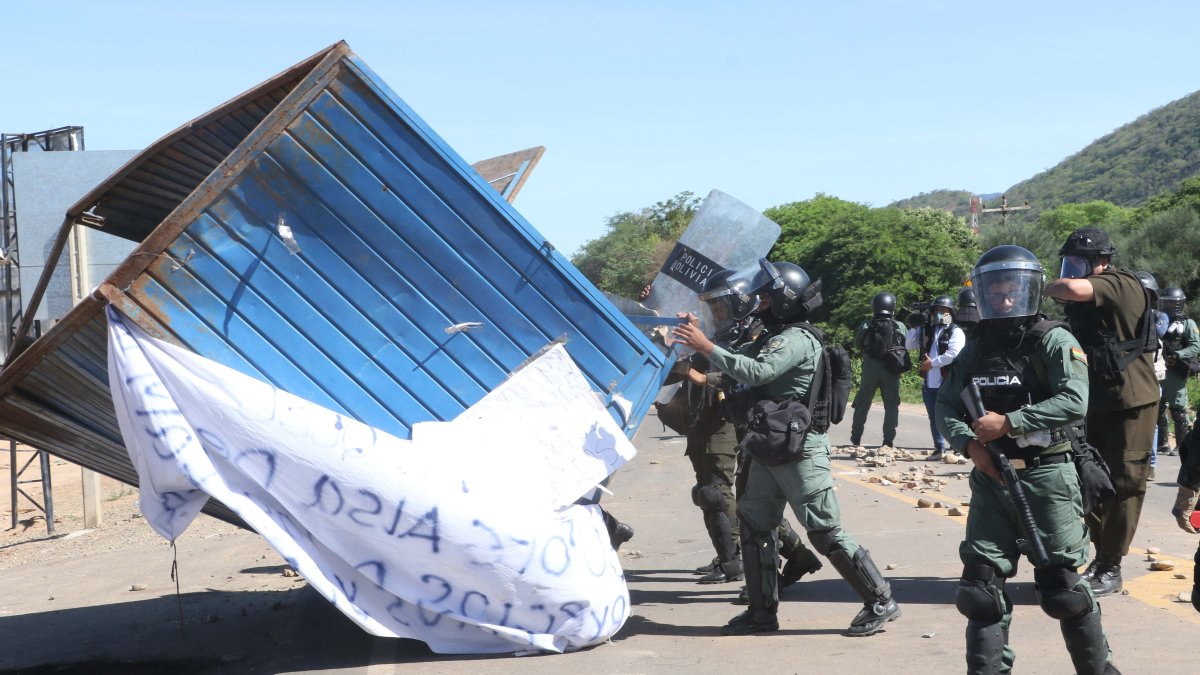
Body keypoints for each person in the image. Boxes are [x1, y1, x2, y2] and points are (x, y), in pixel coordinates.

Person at [674, 260, 901, 638]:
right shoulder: (772, 336)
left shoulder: (796, 339)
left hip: (798, 448)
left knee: (824, 530)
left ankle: (880, 599)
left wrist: (706, 346)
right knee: (754, 526)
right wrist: (701, 339)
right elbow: (739, 359)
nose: (759, 303)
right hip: (769, 443)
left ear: (784, 300)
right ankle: (761, 613)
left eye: (766, 297)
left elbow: (757, 372)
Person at [937, 245, 1119, 675]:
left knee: (1062, 591)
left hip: (1048, 477)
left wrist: (1010, 422)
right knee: (979, 590)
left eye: (1010, 290)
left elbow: (1075, 401)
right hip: (991, 478)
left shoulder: (1053, 339)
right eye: (995, 290)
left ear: (1028, 290)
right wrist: (970, 446)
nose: (1003, 299)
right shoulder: (975, 346)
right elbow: (946, 405)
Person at [1044, 226, 1158, 597]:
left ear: (1102, 262)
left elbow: (1073, 288)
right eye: (1068, 262)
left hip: (1131, 400)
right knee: (1090, 478)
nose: (1071, 270)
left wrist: (1035, 286)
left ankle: (1112, 565)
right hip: (1094, 400)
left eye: (1078, 262)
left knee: (1125, 483)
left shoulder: (1119, 282)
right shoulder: (1087, 297)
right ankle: (1098, 558)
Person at [905, 295, 965, 461]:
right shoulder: (928, 330)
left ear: (951, 313)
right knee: (934, 417)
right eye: (937, 310)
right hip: (930, 382)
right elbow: (909, 345)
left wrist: (933, 363)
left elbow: (954, 354)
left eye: (944, 311)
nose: (940, 314)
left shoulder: (955, 331)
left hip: (949, 381)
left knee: (952, 416)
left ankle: (957, 448)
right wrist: (915, 327)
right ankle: (939, 449)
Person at [850, 292, 908, 448]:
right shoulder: (899, 326)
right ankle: (888, 441)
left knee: (863, 403)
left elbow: (857, 344)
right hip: (891, 368)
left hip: (870, 367)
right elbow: (906, 342)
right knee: (891, 406)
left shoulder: (866, 324)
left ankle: (856, 438)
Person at [1157, 286, 1198, 456]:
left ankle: (1181, 445)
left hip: (1176, 370)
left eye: (1171, 303)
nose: (1167, 306)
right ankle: (1162, 443)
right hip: (1159, 369)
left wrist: (1178, 354)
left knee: (1178, 409)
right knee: (1157, 408)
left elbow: (1195, 346)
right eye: (1165, 302)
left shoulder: (1187, 323)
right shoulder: (1158, 320)